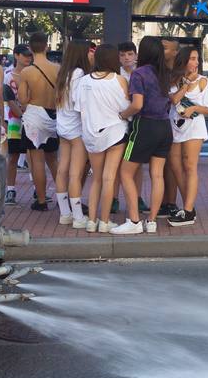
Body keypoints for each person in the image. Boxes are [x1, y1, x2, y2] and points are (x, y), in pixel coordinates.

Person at [115, 38, 173, 234]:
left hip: (144, 126)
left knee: (125, 172)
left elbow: (137, 104)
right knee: (157, 175)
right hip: (165, 127)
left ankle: (133, 220)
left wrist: (123, 114)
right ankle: (152, 221)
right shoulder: (165, 73)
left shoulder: (139, 74)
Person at [72, 45, 129, 234]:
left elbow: (78, 108)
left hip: (91, 134)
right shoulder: (119, 80)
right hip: (115, 133)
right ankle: (104, 221)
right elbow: (125, 108)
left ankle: (91, 220)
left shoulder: (84, 81)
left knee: (96, 179)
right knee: (109, 178)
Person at [166, 46, 208, 227]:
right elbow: (173, 100)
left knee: (190, 165)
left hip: (194, 127)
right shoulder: (174, 79)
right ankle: (189, 206)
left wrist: (194, 108)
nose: (196, 63)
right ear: (184, 60)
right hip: (175, 126)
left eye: (197, 59)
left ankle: (187, 209)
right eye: (192, 59)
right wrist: (186, 84)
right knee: (175, 166)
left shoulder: (203, 81)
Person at [16, 33, 63, 211]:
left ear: (30, 47)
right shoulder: (57, 69)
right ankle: (63, 197)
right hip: (53, 116)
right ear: (46, 46)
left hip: (34, 117)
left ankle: (41, 200)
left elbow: (22, 99)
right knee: (53, 160)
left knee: (37, 159)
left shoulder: (26, 72)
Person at [53, 39, 93, 227]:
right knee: (75, 174)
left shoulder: (63, 73)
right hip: (77, 130)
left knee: (62, 170)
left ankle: (65, 213)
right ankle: (78, 217)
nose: (91, 55)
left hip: (63, 127)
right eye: (89, 51)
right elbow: (80, 105)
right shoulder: (80, 74)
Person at [2, 44, 33, 206]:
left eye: (29, 55)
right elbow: (9, 99)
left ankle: (37, 188)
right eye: (24, 55)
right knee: (13, 156)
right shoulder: (8, 76)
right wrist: (21, 115)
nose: (28, 58)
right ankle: (10, 190)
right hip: (15, 121)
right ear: (16, 55)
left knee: (33, 156)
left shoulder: (34, 73)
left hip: (33, 120)